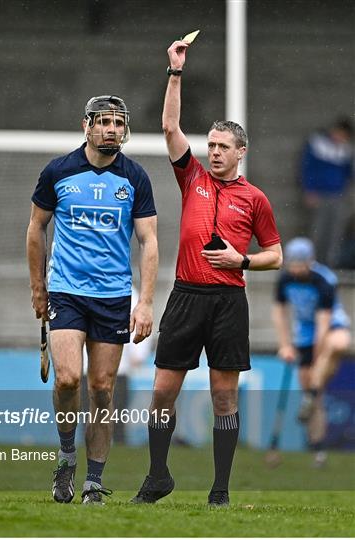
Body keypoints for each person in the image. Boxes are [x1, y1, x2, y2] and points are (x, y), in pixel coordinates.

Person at [131, 40, 282, 507]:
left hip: (228, 301)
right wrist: (175, 73)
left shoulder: (254, 198)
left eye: (222, 147)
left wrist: (242, 261)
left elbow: (274, 254)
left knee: (224, 399)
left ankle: (220, 490)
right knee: (161, 392)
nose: (214, 152)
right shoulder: (191, 177)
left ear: (241, 153)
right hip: (185, 296)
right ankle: (158, 477)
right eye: (211, 145)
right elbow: (169, 126)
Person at [26, 95, 158, 505]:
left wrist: (146, 301)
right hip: (66, 291)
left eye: (118, 123)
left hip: (113, 296)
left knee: (101, 388)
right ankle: (67, 459)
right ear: (86, 125)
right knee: (68, 378)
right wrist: (37, 287)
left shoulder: (134, 177)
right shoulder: (59, 171)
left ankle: (93, 482)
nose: (112, 129)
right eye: (104, 122)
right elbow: (36, 229)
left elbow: (149, 241)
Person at [272, 237, 351, 467]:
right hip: (304, 333)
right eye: (292, 264)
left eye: (300, 264)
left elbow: (324, 323)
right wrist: (285, 345)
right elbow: (279, 313)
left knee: (339, 343)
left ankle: (312, 391)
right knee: (314, 396)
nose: (295, 269)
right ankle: (318, 450)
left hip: (331, 328)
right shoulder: (285, 279)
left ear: (310, 261)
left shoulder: (324, 280)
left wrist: (317, 358)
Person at [300, 117, 353, 268]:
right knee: (318, 231)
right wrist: (309, 189)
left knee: (335, 233)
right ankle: (312, 264)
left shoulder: (346, 149)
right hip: (319, 195)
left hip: (338, 196)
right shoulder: (317, 144)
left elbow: (348, 173)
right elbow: (307, 168)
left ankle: (329, 265)